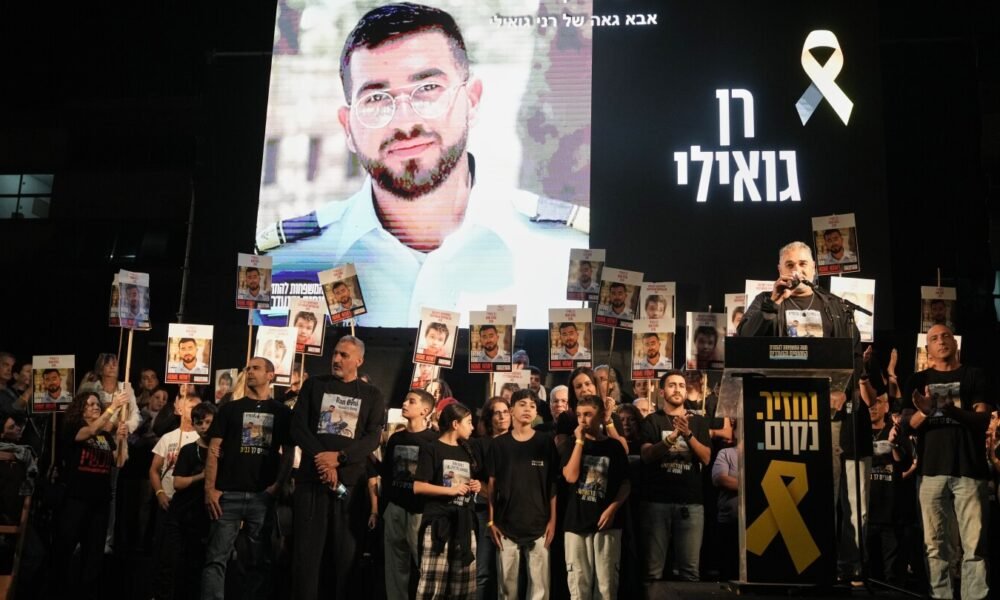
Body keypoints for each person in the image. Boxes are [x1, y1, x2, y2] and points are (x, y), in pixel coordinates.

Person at [260, 2, 586, 328]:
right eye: (375, 98)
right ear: (347, 127)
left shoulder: (569, 252)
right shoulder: (281, 264)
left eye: (428, 89)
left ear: (472, 101)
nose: (405, 122)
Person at [290, 336, 385, 600]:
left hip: (350, 488)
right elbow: (298, 427)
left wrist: (340, 458)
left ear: (359, 360)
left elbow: (372, 438)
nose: (336, 359)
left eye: (344, 355)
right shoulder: (314, 385)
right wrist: (323, 459)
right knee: (306, 557)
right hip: (312, 484)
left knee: (346, 559)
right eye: (335, 353)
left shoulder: (372, 394)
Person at [905, 324, 991, 600]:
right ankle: (940, 595)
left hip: (970, 469)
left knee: (974, 546)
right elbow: (907, 425)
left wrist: (950, 409)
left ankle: (974, 596)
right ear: (927, 348)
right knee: (935, 545)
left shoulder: (974, 375)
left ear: (955, 343)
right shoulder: (918, 380)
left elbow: (983, 419)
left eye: (945, 336)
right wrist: (925, 412)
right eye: (934, 338)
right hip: (931, 470)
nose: (941, 341)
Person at [202, 357, 293, 600]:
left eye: (256, 368)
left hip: (262, 496)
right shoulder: (229, 409)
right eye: (248, 368)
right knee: (215, 558)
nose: (250, 372)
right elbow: (214, 449)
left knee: (259, 561)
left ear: (270, 375)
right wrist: (209, 488)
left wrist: (277, 486)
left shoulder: (282, 412)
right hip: (227, 494)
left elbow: (289, 452)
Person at [51, 390, 127, 598]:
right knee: (65, 548)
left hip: (99, 501)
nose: (96, 407)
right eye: (91, 404)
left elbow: (119, 461)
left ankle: (87, 592)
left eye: (97, 404)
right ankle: (59, 591)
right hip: (76, 499)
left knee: (94, 553)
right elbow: (91, 430)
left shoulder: (105, 436)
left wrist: (122, 439)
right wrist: (113, 407)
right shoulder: (74, 428)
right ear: (80, 409)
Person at [639, 371, 711, 581]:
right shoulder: (652, 420)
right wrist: (672, 438)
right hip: (657, 502)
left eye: (681, 385)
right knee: (653, 570)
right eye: (672, 385)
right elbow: (646, 455)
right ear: (662, 392)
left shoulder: (698, 422)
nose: (677, 389)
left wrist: (687, 434)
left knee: (690, 571)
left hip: (691, 503)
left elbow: (706, 458)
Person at [488, 389, 558, 600]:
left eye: (532, 406)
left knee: (540, 590)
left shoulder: (545, 441)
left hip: (539, 524)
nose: (528, 409)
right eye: (522, 404)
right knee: (506, 590)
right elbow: (492, 485)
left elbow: (552, 484)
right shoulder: (499, 444)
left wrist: (553, 520)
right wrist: (491, 521)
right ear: (511, 410)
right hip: (506, 524)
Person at [560, 394, 629, 600]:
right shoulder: (571, 444)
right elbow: (570, 477)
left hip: (606, 523)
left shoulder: (614, 447)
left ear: (600, 417)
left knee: (606, 586)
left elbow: (626, 483)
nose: (582, 419)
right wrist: (579, 442)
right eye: (579, 415)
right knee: (578, 584)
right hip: (576, 522)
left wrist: (613, 509)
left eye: (588, 414)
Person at [414, 403, 483, 599]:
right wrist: (450, 490)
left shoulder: (467, 450)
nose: (472, 427)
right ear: (455, 424)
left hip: (464, 524)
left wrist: (476, 485)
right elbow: (418, 486)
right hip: (439, 524)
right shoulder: (432, 448)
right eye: (469, 422)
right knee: (433, 587)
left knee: (463, 588)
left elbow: (469, 482)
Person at [381, 389, 437, 600]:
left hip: (420, 512)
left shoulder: (433, 440)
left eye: (411, 401)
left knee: (425, 565)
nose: (405, 404)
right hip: (395, 509)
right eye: (405, 400)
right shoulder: (396, 438)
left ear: (425, 410)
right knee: (395, 567)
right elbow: (387, 473)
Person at [149, 392, 203, 600]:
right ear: (179, 409)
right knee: (164, 554)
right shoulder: (168, 438)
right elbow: (154, 470)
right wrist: (160, 493)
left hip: (190, 505)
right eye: (190, 406)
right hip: (167, 502)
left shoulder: (202, 439)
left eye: (198, 407)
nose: (194, 411)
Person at [168, 401, 218, 600]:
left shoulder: (221, 451)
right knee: (181, 563)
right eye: (199, 423)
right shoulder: (189, 450)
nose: (204, 427)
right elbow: (178, 482)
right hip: (184, 514)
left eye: (208, 422)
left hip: (206, 516)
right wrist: (202, 476)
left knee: (202, 563)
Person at [476, 397, 511, 600]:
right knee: (484, 569)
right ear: (489, 418)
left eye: (505, 411)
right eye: (497, 413)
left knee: (508, 570)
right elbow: (476, 480)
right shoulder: (481, 444)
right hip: (485, 511)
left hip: (512, 512)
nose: (502, 416)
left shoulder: (518, 441)